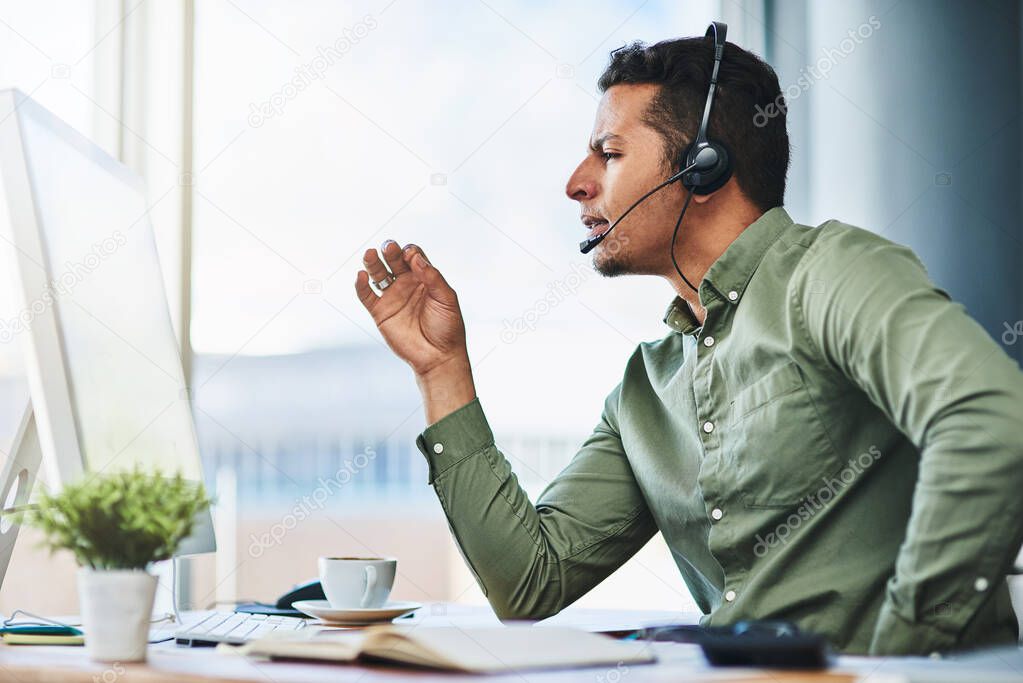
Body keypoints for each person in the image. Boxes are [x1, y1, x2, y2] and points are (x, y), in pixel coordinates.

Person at [353, 33, 1023, 656]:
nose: (575, 183)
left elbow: (990, 421)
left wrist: (895, 653)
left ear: (702, 167)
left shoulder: (833, 273)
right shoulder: (648, 386)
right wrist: (442, 370)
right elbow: (530, 580)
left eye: (609, 153)